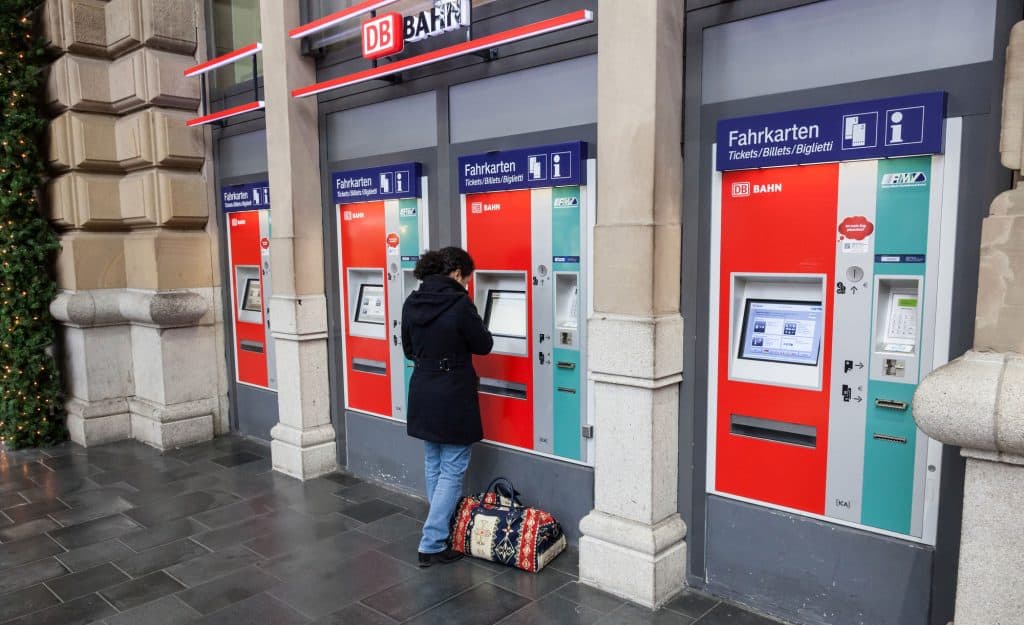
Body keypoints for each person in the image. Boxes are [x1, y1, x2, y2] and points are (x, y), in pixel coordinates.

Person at [401, 246, 493, 567]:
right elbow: (484, 345)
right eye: (466, 279)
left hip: (424, 388)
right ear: (456, 273)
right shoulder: (459, 304)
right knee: (453, 467)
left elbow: (409, 349)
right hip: (453, 392)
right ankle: (432, 542)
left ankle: (441, 528)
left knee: (434, 462)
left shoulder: (412, 302)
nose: (467, 285)